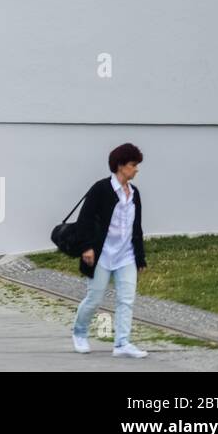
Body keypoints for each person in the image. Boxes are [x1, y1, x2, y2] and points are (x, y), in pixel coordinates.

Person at [70, 143, 148, 358]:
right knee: (94, 298)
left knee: (126, 300)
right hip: (102, 255)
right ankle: (79, 332)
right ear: (121, 166)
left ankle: (122, 343)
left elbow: (137, 227)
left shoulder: (134, 194)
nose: (136, 169)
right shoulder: (101, 189)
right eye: (133, 165)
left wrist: (140, 257)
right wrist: (86, 247)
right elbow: (84, 219)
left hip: (126, 256)